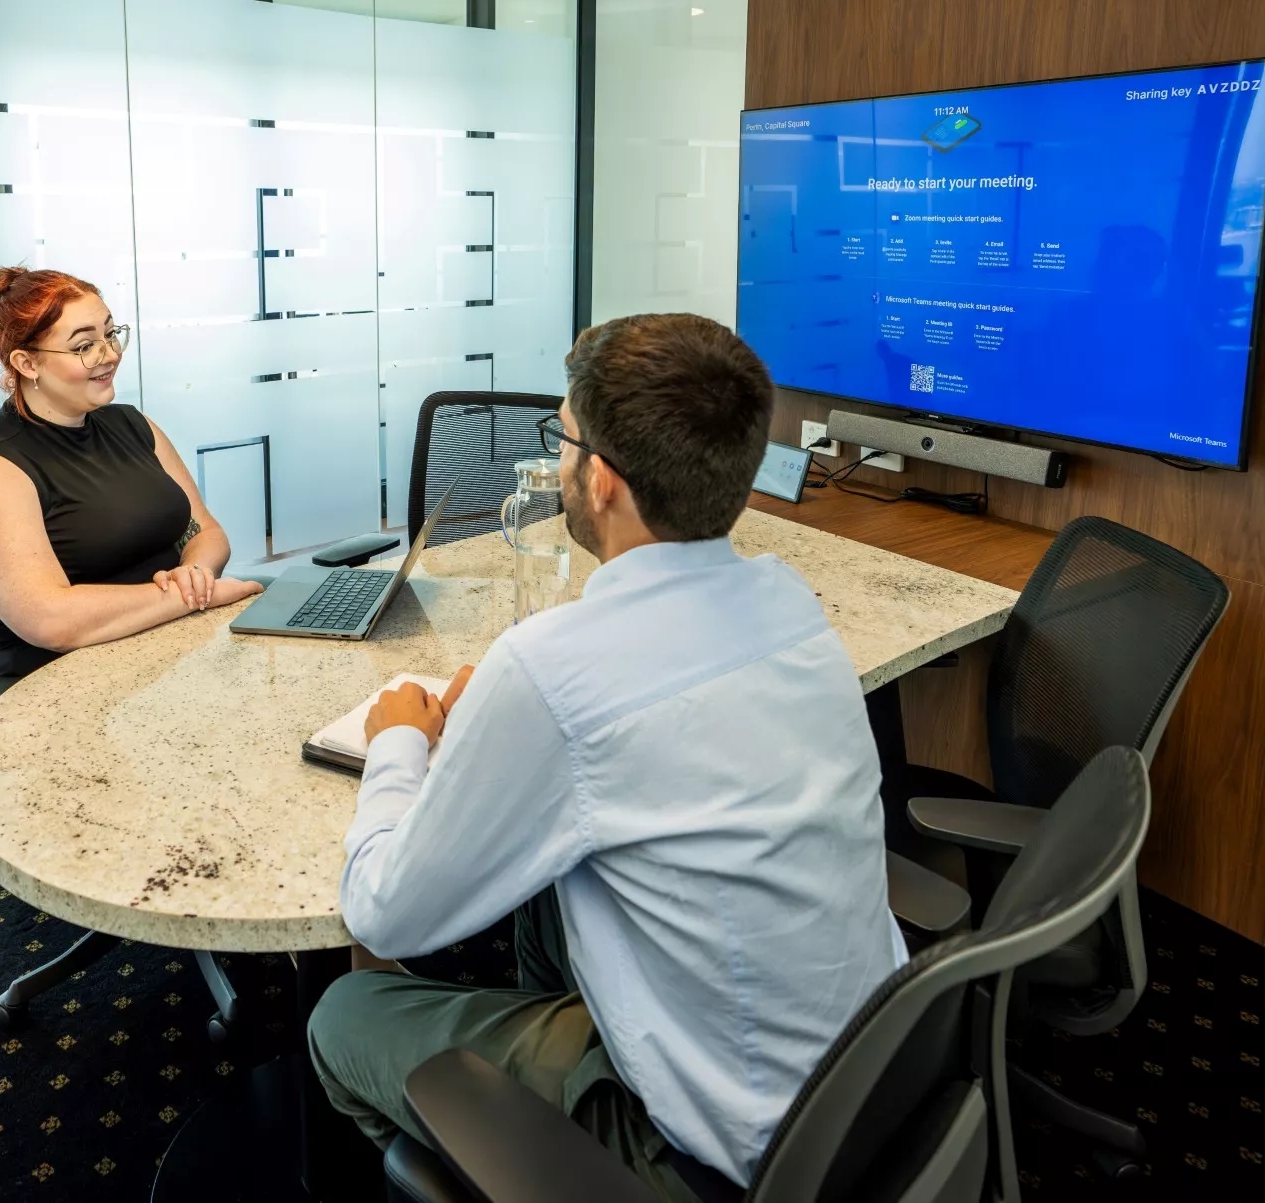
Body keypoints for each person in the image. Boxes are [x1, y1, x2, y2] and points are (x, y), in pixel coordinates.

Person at [308, 313, 905, 1198]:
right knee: (549, 882)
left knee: (343, 1014)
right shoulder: (789, 600)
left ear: (604, 481)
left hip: (723, 1153)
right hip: (872, 1075)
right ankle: (544, 1050)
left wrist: (400, 737)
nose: (558, 463)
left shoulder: (552, 667)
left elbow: (383, 911)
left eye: (564, 441)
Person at [0, 266, 262, 680]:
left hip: (171, 650)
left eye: (110, 334)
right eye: (84, 346)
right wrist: (188, 598)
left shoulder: (132, 425)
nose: (109, 355)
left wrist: (196, 576)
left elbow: (205, 531)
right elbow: (50, 621)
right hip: (65, 682)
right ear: (27, 363)